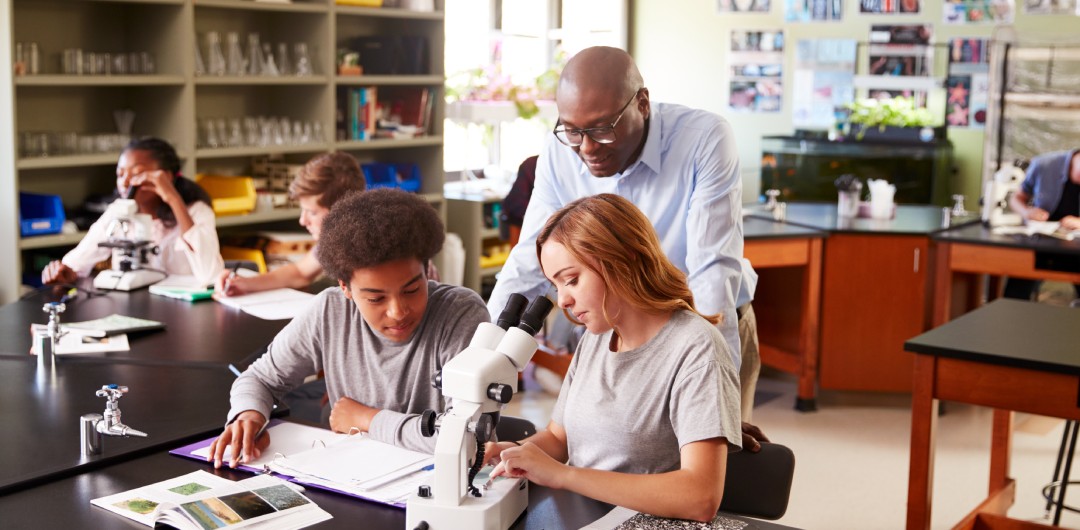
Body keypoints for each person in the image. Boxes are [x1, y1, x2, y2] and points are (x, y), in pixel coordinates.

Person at [486, 46, 763, 427]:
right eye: (572, 130)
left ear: (643, 103)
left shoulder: (704, 139)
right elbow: (527, 262)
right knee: (618, 460)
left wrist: (717, 386)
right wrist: (485, 351)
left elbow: (711, 272)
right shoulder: (560, 151)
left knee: (712, 471)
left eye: (602, 129)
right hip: (616, 329)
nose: (585, 147)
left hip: (702, 322)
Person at [487, 194, 742, 522]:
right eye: (555, 285)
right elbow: (558, 438)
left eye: (572, 280)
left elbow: (699, 498)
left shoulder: (697, 348)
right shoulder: (597, 335)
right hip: (583, 515)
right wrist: (514, 454)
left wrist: (562, 475)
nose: (562, 300)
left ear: (620, 261)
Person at [207, 189, 489, 468]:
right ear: (345, 288)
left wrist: (367, 419)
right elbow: (261, 378)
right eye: (376, 298)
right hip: (351, 477)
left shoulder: (461, 315)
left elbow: (466, 439)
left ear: (427, 270)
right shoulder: (329, 310)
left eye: (413, 289)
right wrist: (249, 415)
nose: (397, 311)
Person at [42, 137, 223, 286]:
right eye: (120, 174)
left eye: (136, 174)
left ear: (166, 177)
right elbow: (78, 261)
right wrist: (63, 272)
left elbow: (210, 274)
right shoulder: (118, 212)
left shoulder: (197, 211)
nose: (125, 182)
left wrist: (173, 199)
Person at [214, 152, 364, 296]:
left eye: (312, 212)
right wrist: (243, 283)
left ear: (342, 211)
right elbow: (300, 272)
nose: (302, 221)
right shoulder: (333, 241)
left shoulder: (367, 248)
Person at [1004, 149, 1080, 301]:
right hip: (1039, 241)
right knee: (1016, 290)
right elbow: (1016, 199)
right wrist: (1027, 212)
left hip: (1076, 247)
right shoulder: (1044, 164)